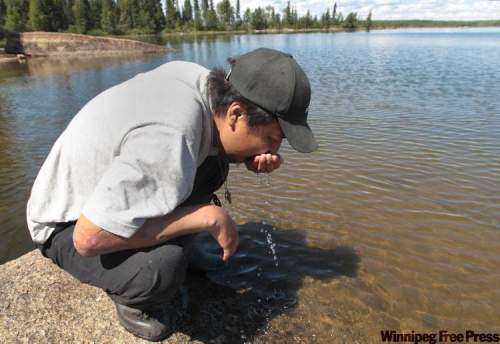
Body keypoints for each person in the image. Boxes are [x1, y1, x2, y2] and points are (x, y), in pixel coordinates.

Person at [26, 48, 317, 341]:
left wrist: (248, 155)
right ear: (236, 113)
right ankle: (133, 300)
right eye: (271, 140)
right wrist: (205, 218)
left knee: (215, 165)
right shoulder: (172, 134)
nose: (273, 152)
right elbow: (88, 239)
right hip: (67, 224)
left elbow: (206, 146)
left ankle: (185, 240)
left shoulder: (201, 84)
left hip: (109, 191)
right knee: (164, 266)